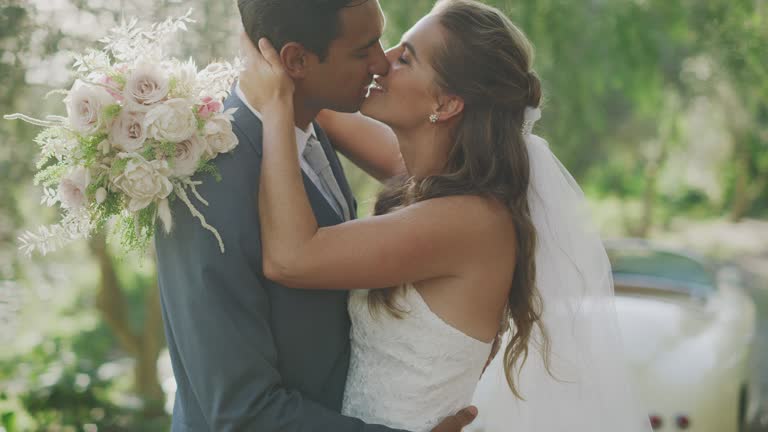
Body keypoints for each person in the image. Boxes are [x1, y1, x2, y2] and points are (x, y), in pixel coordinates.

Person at [239, 0, 653, 431]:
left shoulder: (469, 221)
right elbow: (318, 98)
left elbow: (291, 257)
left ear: (448, 103)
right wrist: (273, 44)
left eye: (406, 58)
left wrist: (274, 107)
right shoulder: (434, 184)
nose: (381, 62)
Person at [154, 0, 477, 431]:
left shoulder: (305, 129)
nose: (381, 63)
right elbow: (241, 412)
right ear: (296, 60)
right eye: (364, 51)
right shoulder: (204, 182)